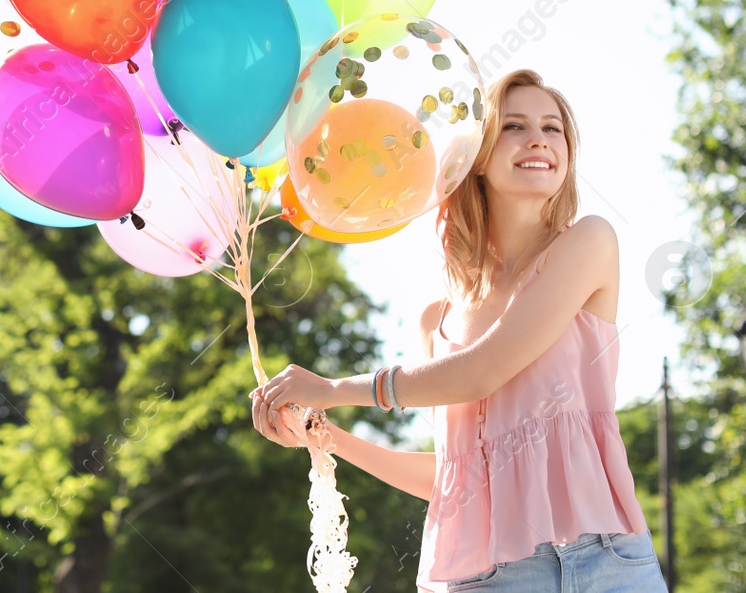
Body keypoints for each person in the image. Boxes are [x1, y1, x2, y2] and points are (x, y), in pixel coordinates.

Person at [250, 68, 667, 591]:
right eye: (515, 126)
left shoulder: (589, 243)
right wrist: (327, 436)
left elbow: (483, 371)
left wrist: (334, 390)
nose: (538, 137)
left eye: (553, 127)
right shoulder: (437, 321)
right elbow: (455, 479)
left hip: (608, 561)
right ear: (478, 159)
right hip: (485, 578)